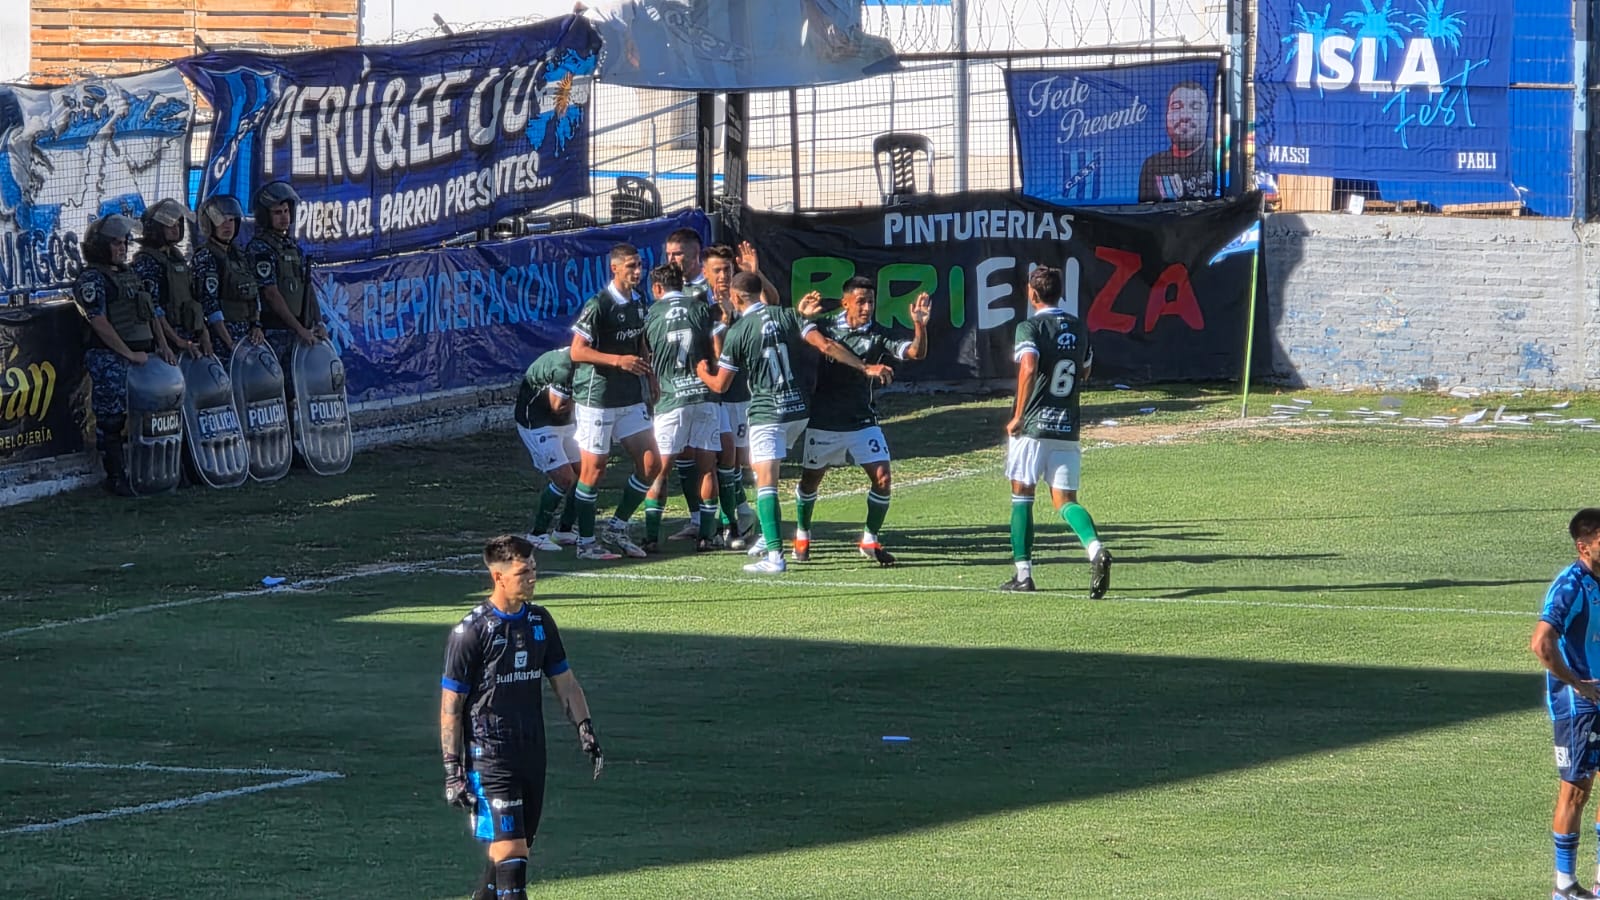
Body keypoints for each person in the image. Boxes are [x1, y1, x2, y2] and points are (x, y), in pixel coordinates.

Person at [441, 535, 603, 900]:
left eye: (533, 569)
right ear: (498, 577)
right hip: (490, 756)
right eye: (522, 572)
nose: (532, 578)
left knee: (512, 849)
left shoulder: (539, 621)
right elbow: (451, 706)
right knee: (513, 855)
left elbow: (565, 682)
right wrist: (453, 769)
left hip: (531, 752)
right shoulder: (471, 632)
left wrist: (585, 727)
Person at [697, 272, 892, 575]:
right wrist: (863, 366)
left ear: (735, 298)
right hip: (799, 411)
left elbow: (721, 385)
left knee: (766, 482)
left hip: (768, 413)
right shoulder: (788, 316)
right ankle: (776, 533)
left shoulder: (738, 331)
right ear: (760, 291)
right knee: (773, 473)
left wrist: (701, 372)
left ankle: (774, 554)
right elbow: (826, 344)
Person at [787, 277, 930, 566]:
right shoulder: (825, 326)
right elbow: (823, 345)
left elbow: (916, 352)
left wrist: (920, 325)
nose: (867, 308)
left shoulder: (878, 334)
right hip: (825, 420)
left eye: (871, 302)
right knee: (810, 481)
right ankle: (802, 534)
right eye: (861, 301)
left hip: (862, 419)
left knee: (883, 478)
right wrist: (865, 367)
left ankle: (869, 539)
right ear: (845, 302)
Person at [1001, 265, 1111, 596]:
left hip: (1033, 427)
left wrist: (1018, 415)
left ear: (1032, 293)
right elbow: (1086, 371)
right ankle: (1095, 549)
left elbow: (1028, 366)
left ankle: (1023, 575)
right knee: (1065, 500)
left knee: (1022, 495)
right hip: (1066, 426)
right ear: (1060, 293)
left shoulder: (1029, 327)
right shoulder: (1079, 327)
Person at [73, 213, 176, 495]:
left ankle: (156, 471)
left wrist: (163, 345)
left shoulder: (129, 274)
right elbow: (99, 322)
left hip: (143, 358)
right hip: (110, 358)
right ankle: (116, 477)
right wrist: (128, 354)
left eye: (124, 242)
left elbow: (151, 311)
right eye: (116, 243)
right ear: (100, 246)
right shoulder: (92, 279)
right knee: (112, 419)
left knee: (153, 414)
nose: (123, 247)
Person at [568, 242, 660, 560]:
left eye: (640, 265)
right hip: (598, 397)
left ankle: (617, 527)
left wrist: (650, 376)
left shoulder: (639, 300)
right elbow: (577, 351)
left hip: (630, 396)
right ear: (615, 268)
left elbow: (640, 341)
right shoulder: (599, 304)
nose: (638, 271)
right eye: (631, 266)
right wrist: (618, 361)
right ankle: (585, 543)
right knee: (594, 470)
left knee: (651, 463)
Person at [1531, 509, 1600, 900]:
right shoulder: (1570, 585)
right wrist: (1576, 684)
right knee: (1575, 791)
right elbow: (1541, 643)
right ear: (1583, 546)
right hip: (1579, 708)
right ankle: (1564, 885)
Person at [641, 262, 721, 553]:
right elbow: (717, 351)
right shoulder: (701, 308)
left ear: (657, 288)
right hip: (702, 395)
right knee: (707, 469)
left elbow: (643, 353)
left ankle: (651, 537)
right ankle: (707, 536)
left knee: (659, 471)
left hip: (670, 398)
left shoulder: (651, 314)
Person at [247, 181, 326, 375]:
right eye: (277, 213)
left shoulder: (292, 247)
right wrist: (300, 329)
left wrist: (318, 323)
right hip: (275, 331)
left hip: (299, 330)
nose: (284, 217)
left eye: (286, 211)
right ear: (265, 216)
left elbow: (307, 287)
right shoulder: (260, 248)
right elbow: (271, 294)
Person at [515, 347, 582, 552]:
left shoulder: (592, 362)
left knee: (585, 474)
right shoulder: (563, 367)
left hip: (565, 422)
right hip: (538, 423)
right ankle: (537, 534)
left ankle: (564, 530)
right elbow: (557, 406)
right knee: (564, 478)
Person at [133, 199, 210, 360]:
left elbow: (192, 297)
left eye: (178, 224)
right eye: (169, 225)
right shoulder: (146, 261)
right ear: (155, 228)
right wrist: (175, 341)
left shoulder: (176, 257)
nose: (176, 229)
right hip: (167, 343)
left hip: (188, 337)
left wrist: (203, 332)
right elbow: (153, 309)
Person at [192, 194, 265, 361]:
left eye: (232, 220)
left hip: (247, 338)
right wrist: (230, 344)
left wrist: (256, 325)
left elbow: (254, 294)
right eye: (222, 220)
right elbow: (210, 306)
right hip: (221, 342)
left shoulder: (240, 256)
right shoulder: (206, 257)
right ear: (209, 224)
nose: (228, 225)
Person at [1137, 80, 1214, 203]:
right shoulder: (1153, 166)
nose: (1185, 116)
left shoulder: (1221, 154)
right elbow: (1146, 211)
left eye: (1195, 108)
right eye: (1177, 107)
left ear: (1207, 116)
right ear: (1167, 116)